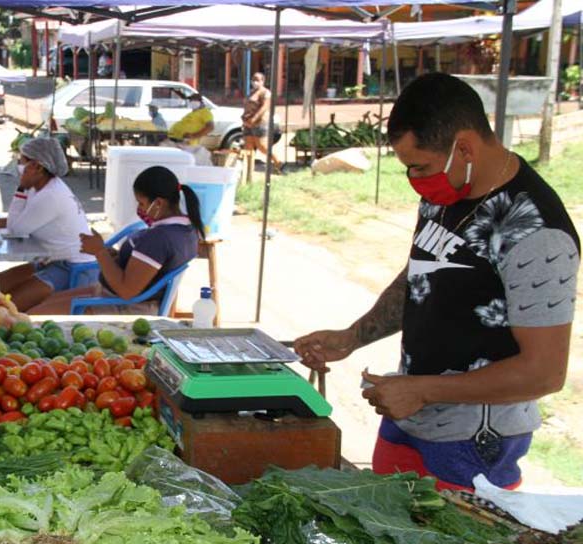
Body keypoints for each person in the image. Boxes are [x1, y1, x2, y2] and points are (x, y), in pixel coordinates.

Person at [294, 73, 579, 492]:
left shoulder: (535, 231)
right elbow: (422, 274)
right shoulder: (447, 192)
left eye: (420, 167)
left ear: (463, 147)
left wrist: (424, 390)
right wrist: (353, 337)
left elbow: (545, 373)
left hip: (473, 442)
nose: (415, 180)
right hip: (411, 416)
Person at [29, 166, 203, 315]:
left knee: (35, 316)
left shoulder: (159, 239)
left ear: (158, 203)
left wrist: (100, 252)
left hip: (125, 306)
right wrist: (115, 255)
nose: (139, 209)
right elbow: (147, 267)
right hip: (112, 295)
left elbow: (126, 290)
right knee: (44, 303)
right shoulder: (187, 229)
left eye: (142, 203)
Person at [0, 137, 96, 311]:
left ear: (38, 167)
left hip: (73, 267)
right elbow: (17, 221)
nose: (18, 166)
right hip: (50, 260)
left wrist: (21, 188)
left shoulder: (50, 195)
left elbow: (15, 228)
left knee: (10, 304)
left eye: (22, 161)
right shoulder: (40, 187)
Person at [242, 72, 281, 172]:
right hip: (248, 124)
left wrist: (254, 118)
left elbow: (264, 107)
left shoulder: (265, 93)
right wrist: (244, 118)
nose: (255, 82)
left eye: (257, 79)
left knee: (262, 147)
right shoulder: (251, 92)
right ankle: (249, 171)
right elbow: (247, 106)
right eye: (253, 79)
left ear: (262, 81)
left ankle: (278, 163)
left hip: (260, 123)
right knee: (248, 148)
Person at [165, 93, 214, 166]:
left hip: (187, 144)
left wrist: (194, 136)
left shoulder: (205, 112)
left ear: (200, 101)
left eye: (193, 100)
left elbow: (210, 127)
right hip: (175, 141)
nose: (191, 102)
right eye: (190, 100)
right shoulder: (193, 113)